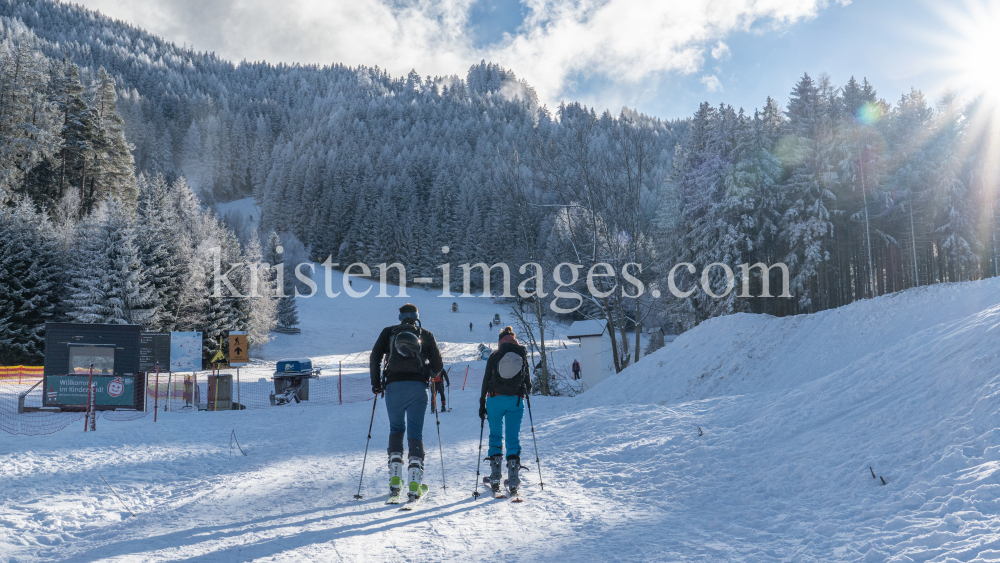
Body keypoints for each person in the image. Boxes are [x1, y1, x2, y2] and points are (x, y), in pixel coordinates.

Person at [370, 303, 443, 501]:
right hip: (418, 388)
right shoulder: (425, 334)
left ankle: (395, 481)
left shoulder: (389, 333)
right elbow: (438, 365)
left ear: (400, 317)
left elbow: (375, 356)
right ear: (417, 316)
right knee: (415, 432)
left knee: (396, 429)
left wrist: (376, 384)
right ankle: (414, 482)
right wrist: (427, 374)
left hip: (394, 388)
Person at [479, 326, 531, 497]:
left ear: (500, 340)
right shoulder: (522, 354)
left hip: (494, 399)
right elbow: (528, 384)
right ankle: (514, 481)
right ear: (514, 338)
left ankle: (495, 479)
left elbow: (486, 379)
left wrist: (482, 403)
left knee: (495, 436)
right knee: (512, 438)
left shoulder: (495, 355)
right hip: (515, 401)